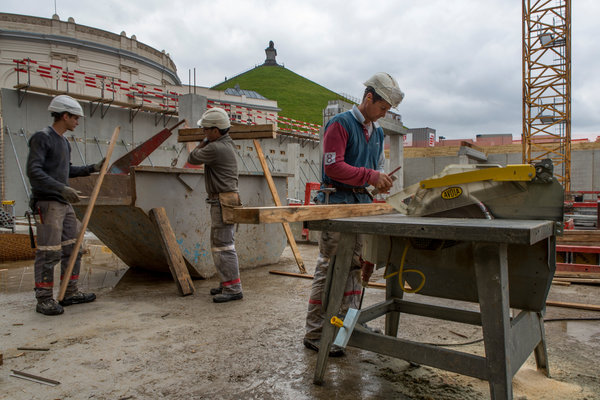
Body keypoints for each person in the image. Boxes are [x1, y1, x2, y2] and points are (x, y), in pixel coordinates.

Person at [303, 72, 404, 356]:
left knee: (356, 267)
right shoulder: (340, 125)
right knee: (331, 266)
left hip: (361, 204)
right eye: (382, 108)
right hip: (337, 202)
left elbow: (372, 169)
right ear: (368, 98)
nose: (383, 115)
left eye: (387, 111)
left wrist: (380, 180)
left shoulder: (378, 131)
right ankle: (315, 331)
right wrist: (370, 175)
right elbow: (333, 168)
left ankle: (349, 324)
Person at [26, 95, 104, 316]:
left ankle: (69, 291)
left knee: (74, 248)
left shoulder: (63, 142)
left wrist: (92, 168)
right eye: (75, 118)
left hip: (63, 203)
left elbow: (66, 170)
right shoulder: (42, 138)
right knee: (49, 252)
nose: (77, 122)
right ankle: (44, 299)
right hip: (48, 203)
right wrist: (61, 189)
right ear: (65, 115)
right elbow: (34, 172)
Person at [187, 107, 243, 303]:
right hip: (225, 199)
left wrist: (203, 142)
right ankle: (227, 283)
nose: (203, 133)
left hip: (223, 201)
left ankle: (233, 288)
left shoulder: (215, 147)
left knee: (223, 246)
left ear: (216, 130)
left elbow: (192, 157)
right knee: (222, 243)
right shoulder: (225, 143)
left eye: (206, 130)